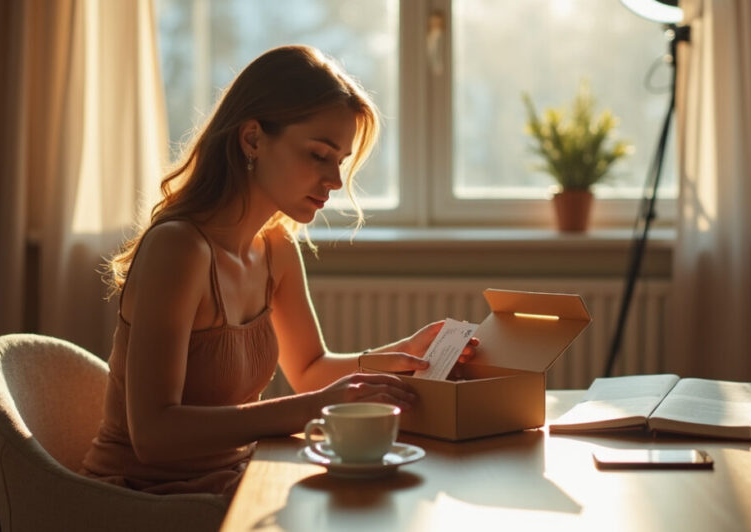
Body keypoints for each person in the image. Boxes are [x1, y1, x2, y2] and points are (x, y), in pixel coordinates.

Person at [80, 45, 478, 503]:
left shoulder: (276, 246)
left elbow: (310, 370)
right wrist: (317, 409)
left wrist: (405, 351)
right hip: (145, 500)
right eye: (318, 155)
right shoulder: (179, 248)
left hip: (235, 480)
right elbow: (154, 434)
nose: (333, 179)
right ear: (252, 139)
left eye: (340, 161)